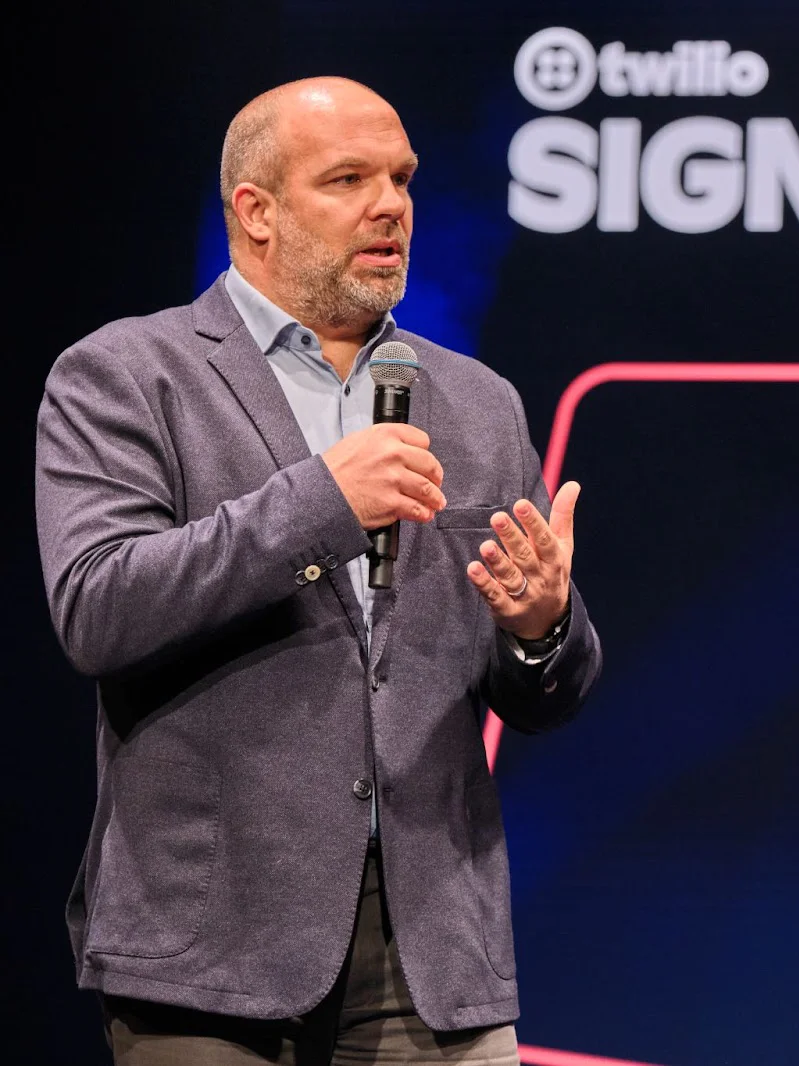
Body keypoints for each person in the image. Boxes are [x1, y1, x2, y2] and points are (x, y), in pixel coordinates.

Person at [35, 78, 602, 1064]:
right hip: (211, 953)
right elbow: (100, 608)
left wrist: (539, 626)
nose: (391, 206)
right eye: (348, 180)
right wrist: (322, 503)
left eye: (402, 179)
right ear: (257, 211)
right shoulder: (126, 374)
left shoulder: (476, 402)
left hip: (433, 952)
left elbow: (544, 692)